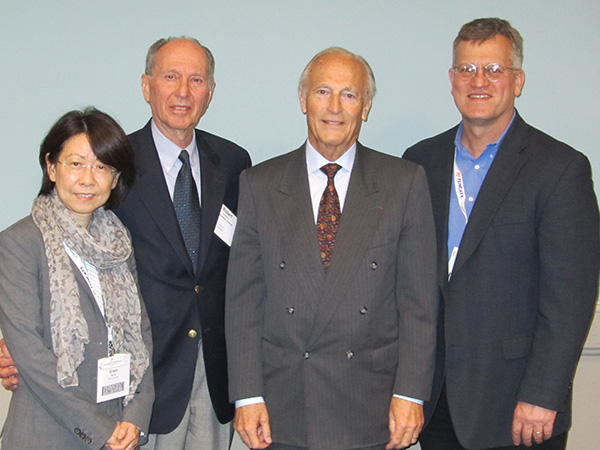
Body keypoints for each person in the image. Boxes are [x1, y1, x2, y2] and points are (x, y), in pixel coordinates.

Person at [0, 36, 251, 450]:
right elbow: (61, 256)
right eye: (170, 76)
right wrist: (19, 341)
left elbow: (240, 267)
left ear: (211, 91)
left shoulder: (235, 161)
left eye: (196, 79)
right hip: (138, 381)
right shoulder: (114, 160)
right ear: (146, 85)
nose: (183, 91)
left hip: (213, 376)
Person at [225, 47, 438, 450]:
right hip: (283, 406)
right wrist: (248, 395)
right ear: (303, 100)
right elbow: (243, 302)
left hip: (371, 404)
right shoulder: (260, 183)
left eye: (350, 94)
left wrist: (410, 393)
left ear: (367, 106)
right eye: (323, 92)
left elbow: (419, 304)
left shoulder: (403, 182)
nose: (335, 107)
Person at [403, 17, 600, 450]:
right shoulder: (420, 162)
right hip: (436, 402)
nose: (479, 81)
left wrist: (542, 395)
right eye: (467, 69)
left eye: (494, 70)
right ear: (452, 80)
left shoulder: (560, 169)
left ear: (518, 80)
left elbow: (570, 299)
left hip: (518, 407)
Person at [0, 108, 154, 449]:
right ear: (51, 167)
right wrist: (101, 430)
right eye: (76, 163)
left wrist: (135, 418)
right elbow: (30, 356)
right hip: (46, 433)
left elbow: (140, 336)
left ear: (115, 179)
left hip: (119, 429)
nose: (88, 179)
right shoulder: (20, 243)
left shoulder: (118, 244)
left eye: (102, 167)